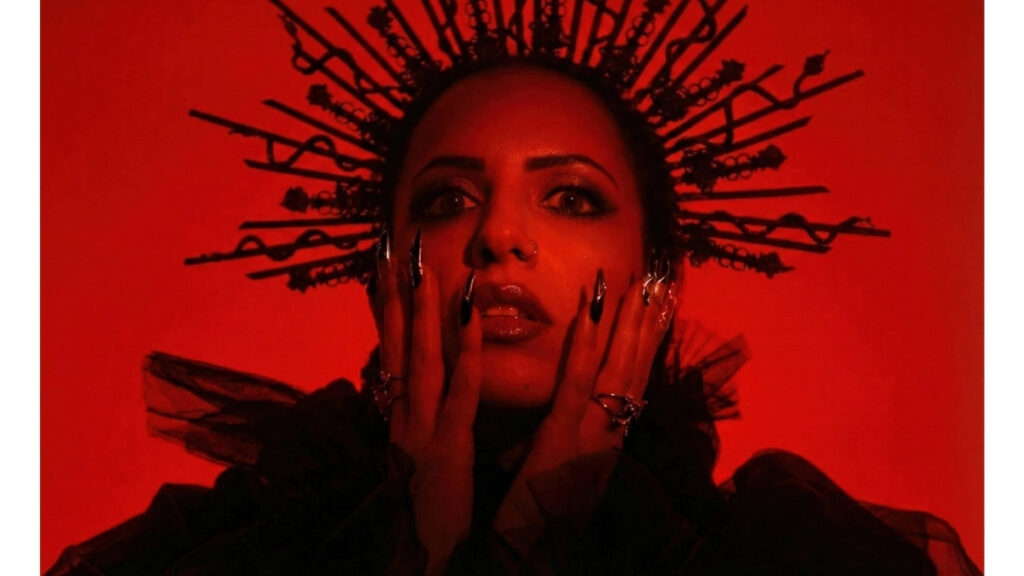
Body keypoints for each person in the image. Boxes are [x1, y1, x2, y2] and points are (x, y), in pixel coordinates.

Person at [47, 1, 982, 574]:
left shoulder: (789, 560)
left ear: (658, 275)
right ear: (385, 267)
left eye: (571, 197)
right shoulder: (220, 556)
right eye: (447, 199)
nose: (497, 235)